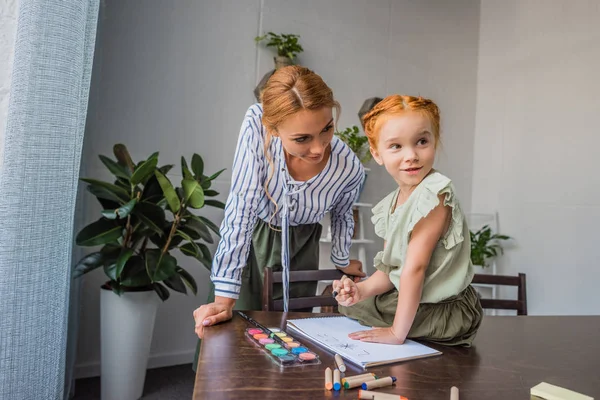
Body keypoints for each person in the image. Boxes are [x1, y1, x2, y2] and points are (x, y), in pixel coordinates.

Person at [193, 65, 366, 344]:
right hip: (252, 241)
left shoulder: (349, 168)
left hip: (302, 248)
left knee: (291, 340)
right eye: (302, 139)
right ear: (273, 128)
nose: (319, 148)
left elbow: (343, 215)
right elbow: (242, 206)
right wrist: (224, 299)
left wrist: (342, 261)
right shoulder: (256, 125)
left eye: (327, 129)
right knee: (237, 340)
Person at [333, 94, 482, 346]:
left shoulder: (434, 193)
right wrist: (361, 291)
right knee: (351, 305)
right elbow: (391, 270)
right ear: (377, 153)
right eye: (396, 146)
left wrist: (395, 333)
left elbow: (414, 269)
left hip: (441, 309)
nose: (411, 155)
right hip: (416, 298)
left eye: (421, 141)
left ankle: (402, 327)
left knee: (355, 311)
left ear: (435, 142)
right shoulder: (394, 201)